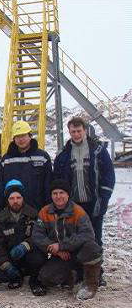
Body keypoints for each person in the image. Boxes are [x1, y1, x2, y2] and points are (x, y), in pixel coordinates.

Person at [53, 116, 115, 285]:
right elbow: (58, 178)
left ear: (85, 131)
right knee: (74, 238)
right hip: (74, 205)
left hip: (93, 202)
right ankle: (80, 272)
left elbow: (109, 175)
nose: (76, 134)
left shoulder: (98, 151)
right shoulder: (64, 155)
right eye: (73, 131)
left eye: (79, 131)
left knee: (95, 238)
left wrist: (104, 197)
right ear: (69, 132)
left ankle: (97, 273)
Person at [32, 179, 103, 300]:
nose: (58, 196)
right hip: (61, 256)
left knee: (92, 247)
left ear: (68, 194)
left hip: (79, 252)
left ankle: (91, 284)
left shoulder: (78, 211)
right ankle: (73, 275)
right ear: (51, 195)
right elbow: (37, 236)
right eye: (55, 193)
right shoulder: (44, 212)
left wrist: (62, 246)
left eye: (61, 193)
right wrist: (56, 250)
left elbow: (88, 234)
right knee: (46, 278)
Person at [0, 180, 47, 295]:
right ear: (7, 200)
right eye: (12, 198)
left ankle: (35, 281)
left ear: (23, 198)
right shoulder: (1, 219)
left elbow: (40, 236)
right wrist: (6, 265)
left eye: (18, 197)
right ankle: (16, 276)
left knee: (39, 258)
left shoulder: (34, 214)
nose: (15, 201)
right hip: (12, 258)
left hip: (30, 254)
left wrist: (26, 245)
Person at [0, 121, 52, 213]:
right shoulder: (7, 160)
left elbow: (48, 185)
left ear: (30, 136)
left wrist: (48, 208)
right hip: (12, 212)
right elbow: (0, 186)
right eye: (17, 137)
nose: (21, 139)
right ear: (14, 139)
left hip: (37, 210)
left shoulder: (43, 157)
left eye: (23, 135)